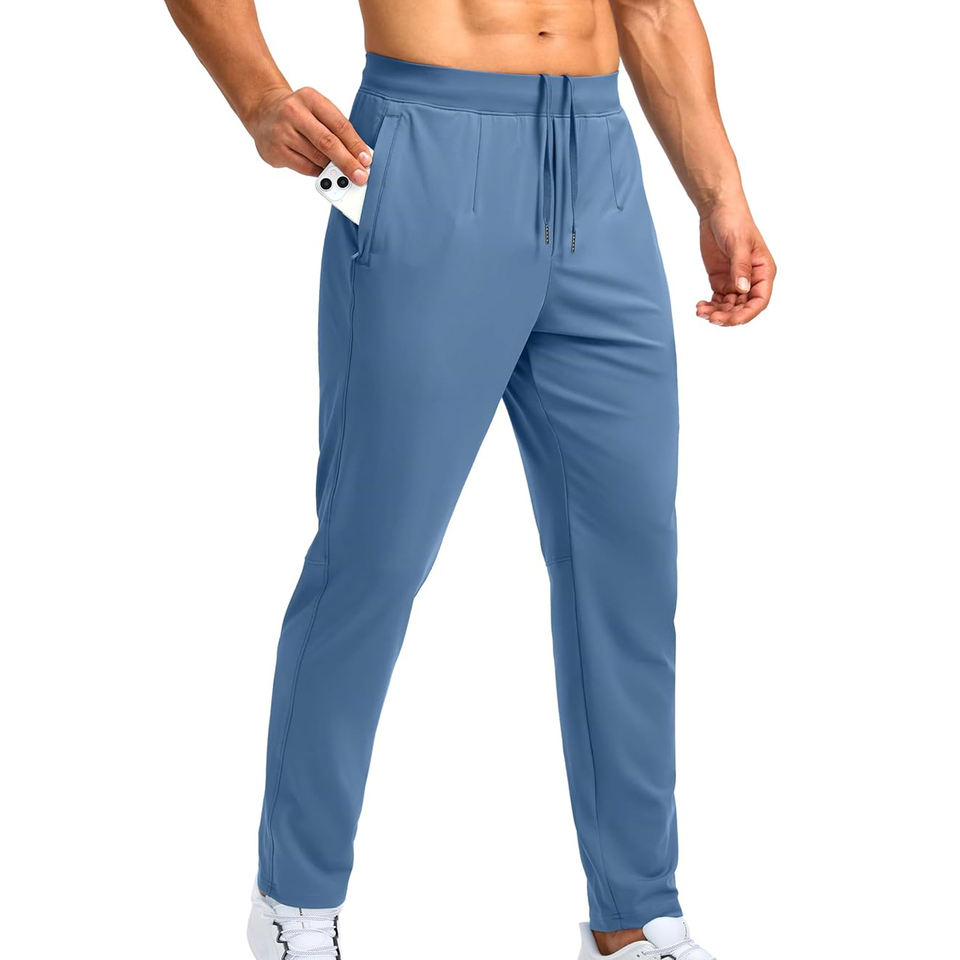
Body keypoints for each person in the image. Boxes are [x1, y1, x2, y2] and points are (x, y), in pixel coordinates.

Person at [165, 1, 776, 957]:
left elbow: (653, 7)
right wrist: (257, 98)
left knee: (628, 567)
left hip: (602, 168)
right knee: (374, 556)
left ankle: (635, 914)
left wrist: (720, 193)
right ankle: (295, 903)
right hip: (426, 150)